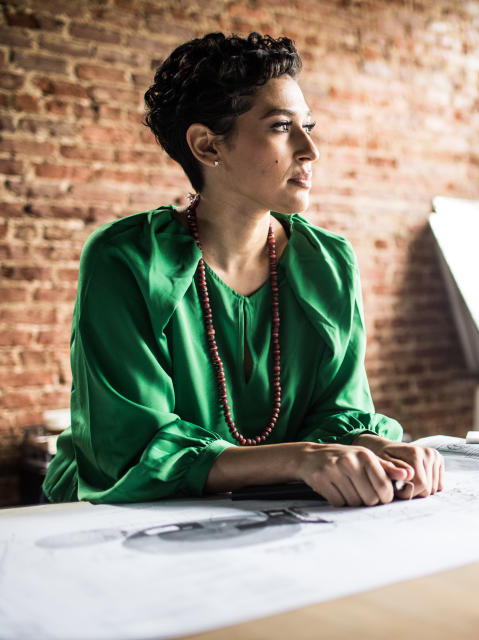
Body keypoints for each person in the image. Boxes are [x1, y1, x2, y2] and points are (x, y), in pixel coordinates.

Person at [42, 32, 443, 506]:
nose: (310, 150)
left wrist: (373, 445)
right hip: (109, 522)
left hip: (274, 516)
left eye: (308, 126)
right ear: (208, 146)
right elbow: (129, 447)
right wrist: (299, 458)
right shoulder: (126, 260)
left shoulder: (329, 262)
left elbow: (340, 410)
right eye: (280, 127)